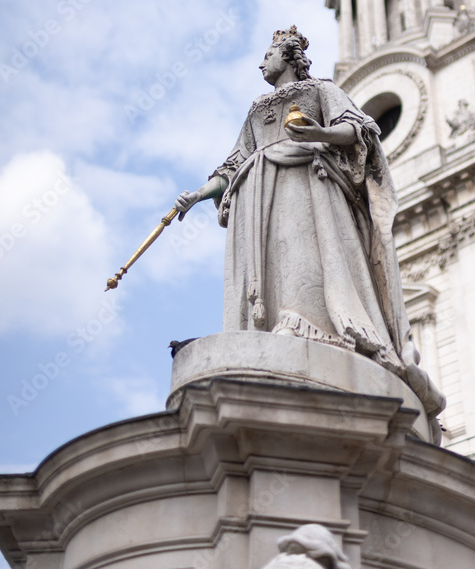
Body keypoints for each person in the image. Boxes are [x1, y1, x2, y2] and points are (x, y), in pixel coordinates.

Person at [175, 26, 444, 426]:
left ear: (288, 56)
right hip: (258, 193)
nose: (262, 61)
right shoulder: (255, 112)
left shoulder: (319, 90)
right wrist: (199, 193)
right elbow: (233, 164)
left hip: (305, 183)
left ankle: (307, 324)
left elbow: (356, 129)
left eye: (269, 53)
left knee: (302, 252)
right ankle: (267, 333)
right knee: (271, 259)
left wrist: (318, 134)